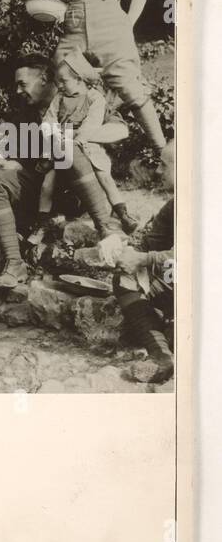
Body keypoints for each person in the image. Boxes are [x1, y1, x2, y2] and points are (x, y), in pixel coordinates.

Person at [0, 55, 117, 290]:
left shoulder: (82, 97)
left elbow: (119, 130)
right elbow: (21, 159)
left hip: (75, 188)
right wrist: (10, 163)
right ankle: (15, 264)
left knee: (67, 149)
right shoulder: (25, 112)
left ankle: (105, 226)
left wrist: (73, 137)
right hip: (42, 185)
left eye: (22, 83)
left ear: (44, 78)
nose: (18, 90)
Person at [54, 0, 172, 162]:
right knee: (61, 79)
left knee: (130, 88)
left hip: (110, 27)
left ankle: (162, 152)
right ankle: (66, 150)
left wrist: (126, 25)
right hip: (73, 30)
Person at [36, 51, 139, 234]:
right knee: (47, 183)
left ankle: (122, 214)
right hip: (61, 146)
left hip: (87, 146)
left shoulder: (94, 98)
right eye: (58, 81)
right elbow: (49, 121)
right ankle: (42, 222)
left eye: (64, 81)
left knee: (104, 178)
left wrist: (78, 138)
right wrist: (54, 134)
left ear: (79, 79)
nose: (59, 85)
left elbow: (92, 123)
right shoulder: (59, 99)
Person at [113, 147, 174, 384]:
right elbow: (150, 245)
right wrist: (126, 253)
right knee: (125, 278)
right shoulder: (173, 206)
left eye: (164, 165)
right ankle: (162, 356)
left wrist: (144, 259)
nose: (158, 170)